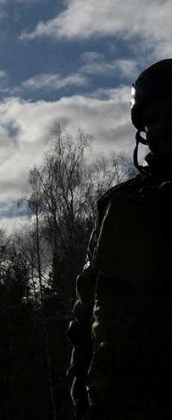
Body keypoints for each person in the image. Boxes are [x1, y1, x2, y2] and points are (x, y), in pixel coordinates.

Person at [67, 58, 172, 419]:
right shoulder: (117, 204)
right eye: (154, 119)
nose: (163, 127)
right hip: (117, 400)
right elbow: (87, 301)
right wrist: (81, 383)